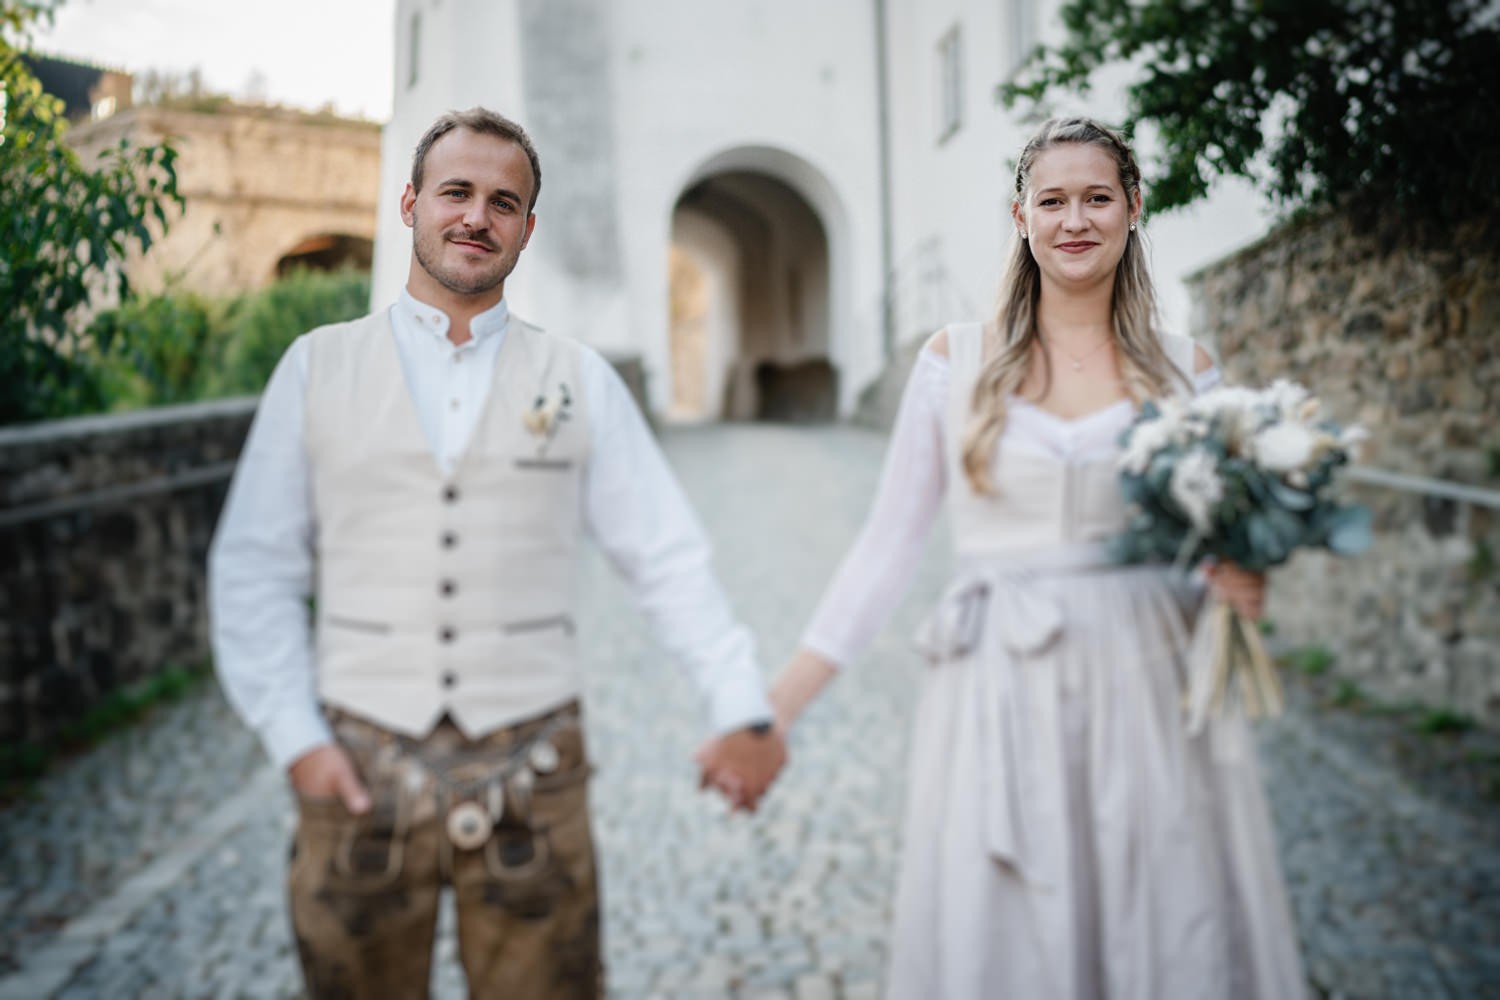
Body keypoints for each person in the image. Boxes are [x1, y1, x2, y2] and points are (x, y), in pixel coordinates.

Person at [208, 107, 785, 1000]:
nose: (477, 216)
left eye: (503, 201)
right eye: (456, 192)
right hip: (356, 760)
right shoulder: (316, 367)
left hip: (535, 771)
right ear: (409, 204)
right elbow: (255, 569)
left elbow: (666, 557)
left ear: (527, 227)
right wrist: (297, 741)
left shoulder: (579, 379)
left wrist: (740, 704)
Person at [751, 118, 1306, 998]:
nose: (1073, 220)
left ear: (1133, 208)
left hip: (1149, 681)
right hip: (999, 679)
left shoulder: (1184, 369)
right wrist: (774, 710)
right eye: (1052, 200)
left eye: (1096, 198)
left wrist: (1241, 574)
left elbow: (1212, 543)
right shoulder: (953, 362)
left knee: (1159, 905)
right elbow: (887, 549)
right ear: (1021, 215)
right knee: (1010, 926)